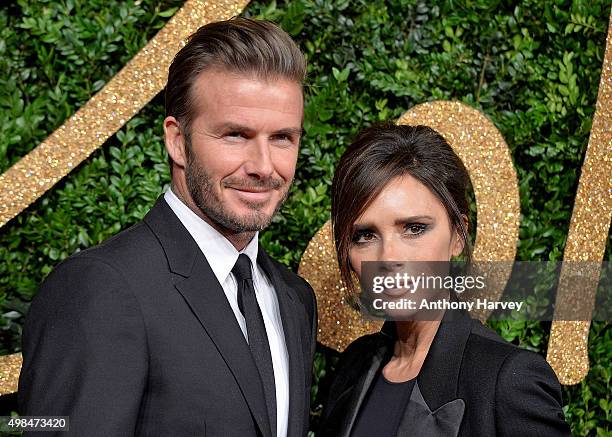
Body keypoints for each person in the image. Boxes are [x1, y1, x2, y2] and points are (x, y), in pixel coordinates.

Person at [19, 18, 317, 437]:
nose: (263, 167)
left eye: (283, 138)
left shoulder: (294, 300)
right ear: (178, 141)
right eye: (235, 135)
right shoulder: (99, 288)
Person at [318, 123, 570, 436]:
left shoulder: (508, 381)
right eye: (365, 235)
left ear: (457, 236)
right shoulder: (354, 367)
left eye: (414, 228)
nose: (388, 257)